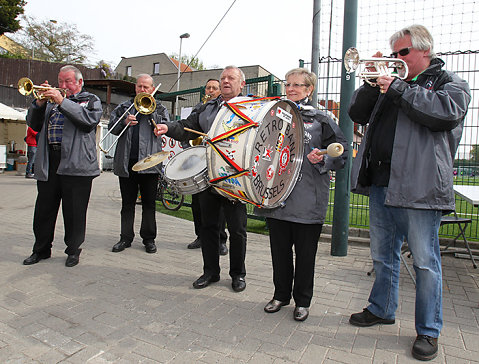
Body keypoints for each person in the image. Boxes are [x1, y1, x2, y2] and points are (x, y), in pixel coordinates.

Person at [348, 25, 471, 361]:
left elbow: (444, 114)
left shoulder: (449, 83)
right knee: (383, 255)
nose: (396, 59)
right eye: (393, 54)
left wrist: (398, 87)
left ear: (424, 51)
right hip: (382, 182)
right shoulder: (388, 85)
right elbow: (356, 114)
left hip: (420, 187)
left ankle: (428, 331)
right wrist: (372, 83)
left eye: (402, 53)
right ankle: (381, 308)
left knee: (425, 263)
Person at [255, 68, 348, 321]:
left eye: (298, 85)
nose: (292, 89)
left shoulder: (322, 119)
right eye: (288, 84)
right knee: (279, 252)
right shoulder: (272, 115)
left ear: (309, 90)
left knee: (306, 256)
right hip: (276, 198)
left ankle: (303, 301)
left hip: (308, 201)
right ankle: (280, 295)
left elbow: (342, 154)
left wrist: (323, 157)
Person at [155, 66, 248, 292]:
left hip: (236, 177)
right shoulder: (207, 108)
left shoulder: (252, 107)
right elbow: (187, 128)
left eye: (231, 78)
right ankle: (210, 272)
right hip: (207, 176)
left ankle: (238, 274)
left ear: (241, 84)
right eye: (222, 78)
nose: (225, 81)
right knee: (208, 226)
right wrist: (167, 127)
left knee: (237, 230)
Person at [23, 65, 103, 267]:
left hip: (77, 164)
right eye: (60, 82)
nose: (63, 85)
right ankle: (41, 249)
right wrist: (39, 103)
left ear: (79, 82)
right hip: (50, 161)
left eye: (68, 81)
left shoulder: (90, 100)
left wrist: (63, 101)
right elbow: (33, 124)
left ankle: (73, 250)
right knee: (43, 210)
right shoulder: (50, 103)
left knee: (74, 212)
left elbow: (88, 122)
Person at [109, 74, 169, 254]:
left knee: (149, 204)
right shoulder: (124, 107)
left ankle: (149, 239)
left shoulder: (159, 107)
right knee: (127, 203)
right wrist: (125, 121)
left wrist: (152, 114)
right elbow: (112, 128)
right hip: (127, 162)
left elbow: (166, 126)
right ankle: (125, 238)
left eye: (146, 87)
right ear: (135, 88)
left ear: (152, 89)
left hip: (150, 163)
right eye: (139, 87)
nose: (142, 90)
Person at [186, 78, 228, 256]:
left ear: (220, 91)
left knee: (220, 203)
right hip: (199, 159)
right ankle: (200, 236)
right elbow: (188, 127)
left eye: (214, 88)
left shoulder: (223, 108)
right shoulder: (200, 108)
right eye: (208, 87)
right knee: (197, 202)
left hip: (217, 160)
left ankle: (220, 239)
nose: (210, 90)